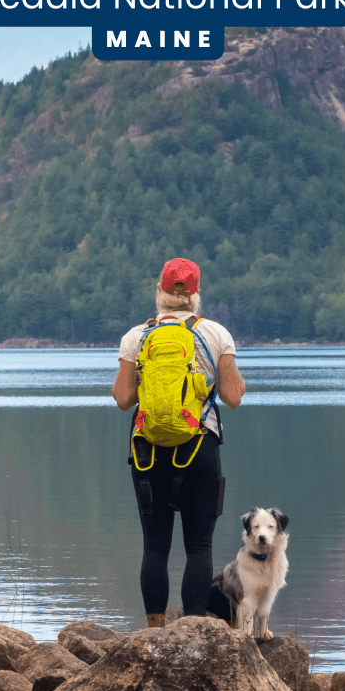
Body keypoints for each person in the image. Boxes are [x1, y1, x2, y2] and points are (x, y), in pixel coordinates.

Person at [112, 258, 245, 628]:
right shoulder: (216, 334)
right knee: (199, 546)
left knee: (155, 547)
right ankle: (193, 631)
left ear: (161, 291)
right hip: (199, 447)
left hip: (148, 450)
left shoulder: (136, 336)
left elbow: (123, 399)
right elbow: (233, 397)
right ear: (196, 295)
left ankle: (154, 632)